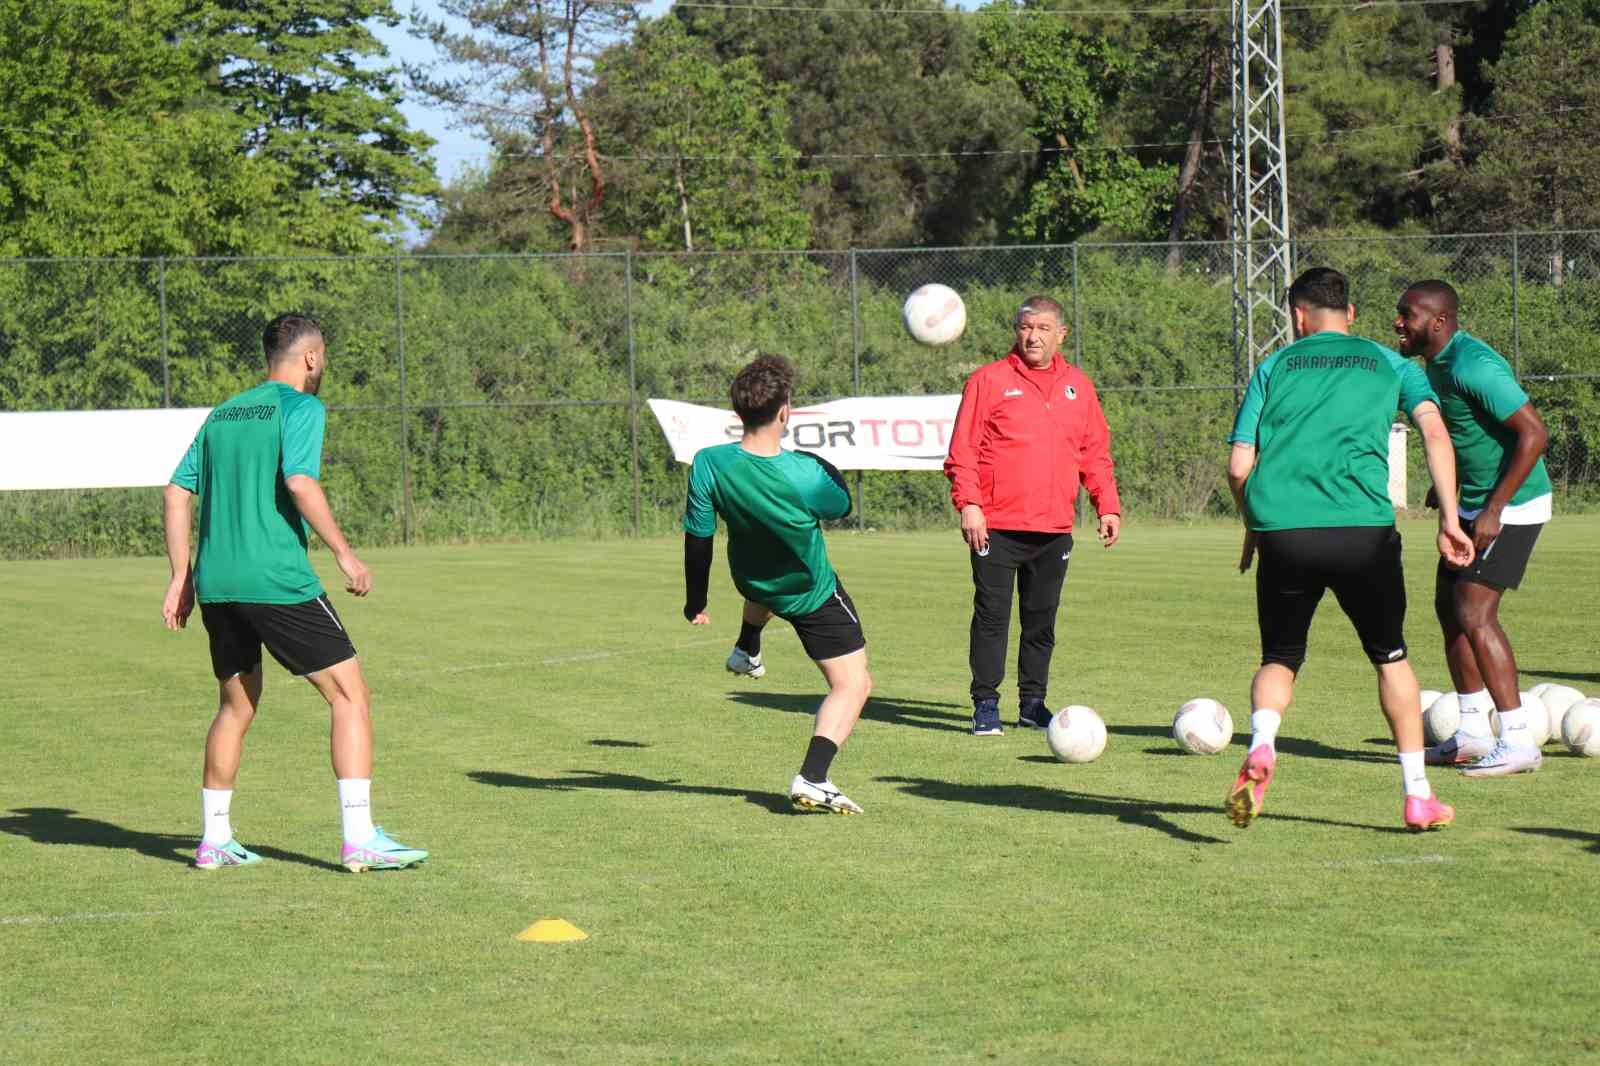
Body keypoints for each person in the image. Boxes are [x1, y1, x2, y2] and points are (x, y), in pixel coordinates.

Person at [162, 313, 427, 873]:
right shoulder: (302, 407)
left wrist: (181, 576)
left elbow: (176, 491)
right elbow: (300, 481)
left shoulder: (225, 412)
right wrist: (345, 553)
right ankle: (359, 838)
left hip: (217, 584)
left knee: (235, 706)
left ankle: (214, 841)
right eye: (322, 356)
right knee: (350, 696)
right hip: (277, 579)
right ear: (310, 357)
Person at [1225, 267, 1475, 831]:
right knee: (1391, 658)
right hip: (1363, 533)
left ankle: (1263, 743)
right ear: (1352, 314)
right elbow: (1435, 434)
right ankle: (1417, 795)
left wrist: (1254, 526)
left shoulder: (1274, 365)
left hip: (1285, 533)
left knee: (1280, 659)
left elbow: (1240, 465)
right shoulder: (1392, 364)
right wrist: (1451, 519)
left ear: (1297, 316)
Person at [681, 354, 872, 814]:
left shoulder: (708, 463)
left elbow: (698, 539)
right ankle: (814, 777)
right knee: (854, 684)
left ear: (737, 412)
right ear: (785, 411)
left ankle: (747, 647)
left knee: (762, 584)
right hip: (808, 592)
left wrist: (697, 601)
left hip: (752, 579)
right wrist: (815, 460)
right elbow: (840, 503)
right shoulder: (803, 474)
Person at [943, 295, 1121, 737]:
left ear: (1061, 334)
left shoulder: (1079, 386)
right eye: (1026, 327)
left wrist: (1108, 505)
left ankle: (1032, 704)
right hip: (996, 526)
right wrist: (969, 504)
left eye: (1043, 328)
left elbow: (1095, 453)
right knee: (992, 618)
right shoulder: (988, 381)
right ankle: (985, 704)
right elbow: (962, 451)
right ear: (1016, 331)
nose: (1033, 336)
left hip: (1054, 528)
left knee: (1041, 620)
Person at [1395, 280, 1553, 777]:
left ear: (1438, 322)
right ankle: (1471, 732)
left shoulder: (1471, 364)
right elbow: (1468, 433)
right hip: (1472, 504)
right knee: (1449, 608)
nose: (1399, 322)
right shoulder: (1436, 364)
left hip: (1514, 505)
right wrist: (1452, 488)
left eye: (1408, 314)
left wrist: (1494, 508)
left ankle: (1519, 740)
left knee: (1474, 610)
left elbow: (1534, 433)